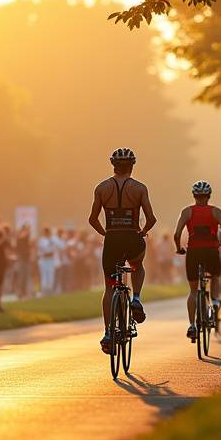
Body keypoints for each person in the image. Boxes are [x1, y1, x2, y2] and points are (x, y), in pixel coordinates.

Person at [89, 148, 157, 354]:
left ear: (113, 166)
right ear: (132, 166)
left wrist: (105, 233)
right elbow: (152, 218)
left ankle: (108, 332)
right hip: (132, 237)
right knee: (137, 265)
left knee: (109, 287)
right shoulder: (139, 188)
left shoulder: (102, 188)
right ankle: (136, 298)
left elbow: (92, 219)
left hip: (112, 239)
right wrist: (142, 231)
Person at [173, 181, 221, 341]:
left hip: (193, 251)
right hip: (211, 251)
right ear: (209, 196)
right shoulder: (216, 211)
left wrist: (178, 248)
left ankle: (192, 325)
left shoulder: (187, 212)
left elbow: (177, 234)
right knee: (215, 277)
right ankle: (214, 301)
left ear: (194, 196)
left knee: (193, 291)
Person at [37, 226, 57, 296]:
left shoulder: (52, 240)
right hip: (44, 260)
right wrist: (48, 250)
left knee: (51, 275)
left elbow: (54, 249)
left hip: (50, 260)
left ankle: (50, 291)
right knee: (44, 276)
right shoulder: (42, 240)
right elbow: (44, 250)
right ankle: (44, 291)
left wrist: (50, 249)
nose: (47, 233)